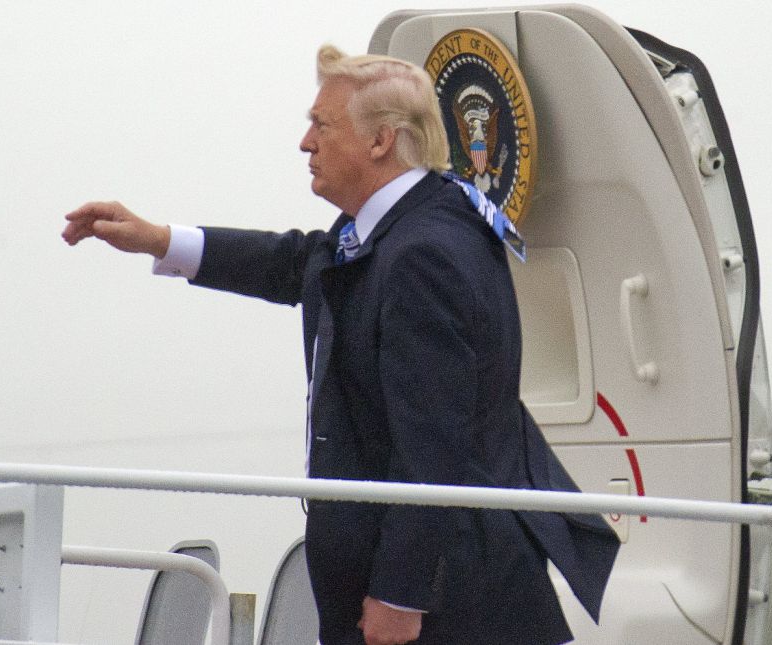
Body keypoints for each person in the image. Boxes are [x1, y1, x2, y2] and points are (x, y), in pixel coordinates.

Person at [62, 44, 619, 645]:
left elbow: (434, 445)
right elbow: (301, 262)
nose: (306, 142)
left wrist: (400, 596)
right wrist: (160, 240)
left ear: (381, 140)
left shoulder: (423, 253)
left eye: (321, 125)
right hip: (425, 592)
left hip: (447, 605)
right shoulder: (399, 227)